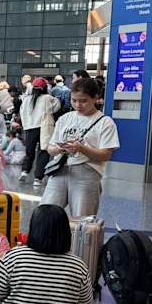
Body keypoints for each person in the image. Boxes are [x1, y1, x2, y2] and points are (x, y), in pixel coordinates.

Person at [41, 77, 120, 218]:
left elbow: (106, 155)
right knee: (46, 214)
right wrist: (59, 149)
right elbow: (50, 147)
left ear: (95, 98)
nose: (78, 105)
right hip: (60, 169)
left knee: (82, 219)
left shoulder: (105, 122)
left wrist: (81, 148)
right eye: (74, 100)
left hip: (87, 173)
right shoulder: (65, 118)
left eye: (83, 101)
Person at [18, 76, 60, 187]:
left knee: (29, 151)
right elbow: (56, 107)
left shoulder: (26, 99)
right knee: (43, 152)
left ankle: (25, 171)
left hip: (30, 128)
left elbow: (22, 113)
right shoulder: (48, 98)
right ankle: (38, 178)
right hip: (44, 127)